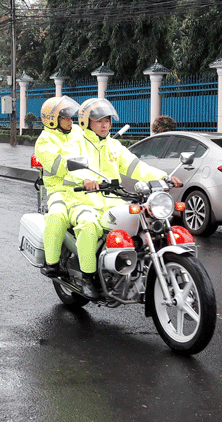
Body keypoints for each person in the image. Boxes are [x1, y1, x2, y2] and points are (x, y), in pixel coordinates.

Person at [36, 96, 181, 300]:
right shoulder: (74, 142)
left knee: (142, 220)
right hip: (81, 199)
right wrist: (85, 178)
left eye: (108, 120)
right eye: (99, 121)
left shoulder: (113, 146)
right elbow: (68, 164)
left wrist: (163, 177)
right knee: (88, 224)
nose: (105, 125)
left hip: (112, 198)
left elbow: (136, 166)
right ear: (86, 122)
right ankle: (87, 277)